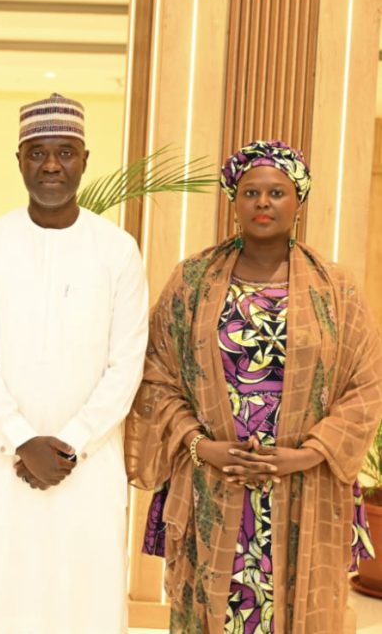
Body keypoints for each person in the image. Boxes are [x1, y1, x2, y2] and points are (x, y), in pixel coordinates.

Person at [124, 139, 382, 633]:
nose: (263, 202)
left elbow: (366, 387)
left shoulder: (337, 289)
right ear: (234, 202)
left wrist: (306, 455)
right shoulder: (192, 282)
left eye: (276, 192)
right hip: (213, 480)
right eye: (251, 192)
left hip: (304, 486)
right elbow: (156, 375)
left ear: (298, 202)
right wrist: (201, 446)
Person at [0, 93, 149, 632]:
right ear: (18, 160)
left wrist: (70, 445)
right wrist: (21, 440)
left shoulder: (117, 250)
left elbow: (126, 363)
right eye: (37, 153)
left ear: (85, 160)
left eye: (64, 152)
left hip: (88, 466)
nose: (51, 166)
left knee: (83, 603)